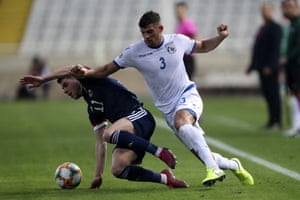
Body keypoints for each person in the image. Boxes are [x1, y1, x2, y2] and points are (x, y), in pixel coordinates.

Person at [68, 11, 254, 187]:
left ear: (160, 29)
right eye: (143, 33)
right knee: (202, 152)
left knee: (183, 122)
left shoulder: (177, 41)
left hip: (187, 96)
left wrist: (221, 37)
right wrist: (86, 73)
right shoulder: (134, 52)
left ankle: (213, 170)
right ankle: (233, 165)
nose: (147, 36)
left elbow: (204, 46)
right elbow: (107, 69)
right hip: (168, 110)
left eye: (150, 32)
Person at [19, 66, 188, 189]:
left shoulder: (91, 79)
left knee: (109, 133)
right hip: (130, 131)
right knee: (117, 168)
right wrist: (98, 175)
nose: (64, 90)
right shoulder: (92, 108)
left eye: (64, 84)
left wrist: (44, 79)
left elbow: (71, 68)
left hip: (140, 116)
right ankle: (165, 179)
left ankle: (159, 151)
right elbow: (100, 143)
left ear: (75, 78)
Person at [246, 2, 283, 130]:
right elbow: (257, 48)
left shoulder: (275, 27)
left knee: (274, 94)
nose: (264, 12)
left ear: (271, 11)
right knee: (267, 94)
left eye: (267, 10)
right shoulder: (262, 28)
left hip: (270, 68)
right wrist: (252, 66)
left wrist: (271, 66)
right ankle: (271, 120)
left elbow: (275, 49)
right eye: (263, 10)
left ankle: (277, 121)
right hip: (261, 67)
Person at [281, 0, 300, 137]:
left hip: (297, 64)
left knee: (297, 94)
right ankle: (296, 125)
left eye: (289, 7)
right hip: (292, 64)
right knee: (294, 94)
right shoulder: (292, 24)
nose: (286, 10)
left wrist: (288, 57)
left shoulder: (298, 24)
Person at [174, 1, 199, 80]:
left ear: (185, 11)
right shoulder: (179, 25)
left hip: (187, 58)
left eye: (180, 11)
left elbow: (196, 37)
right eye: (177, 11)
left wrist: (192, 51)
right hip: (181, 58)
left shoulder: (187, 24)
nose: (178, 13)